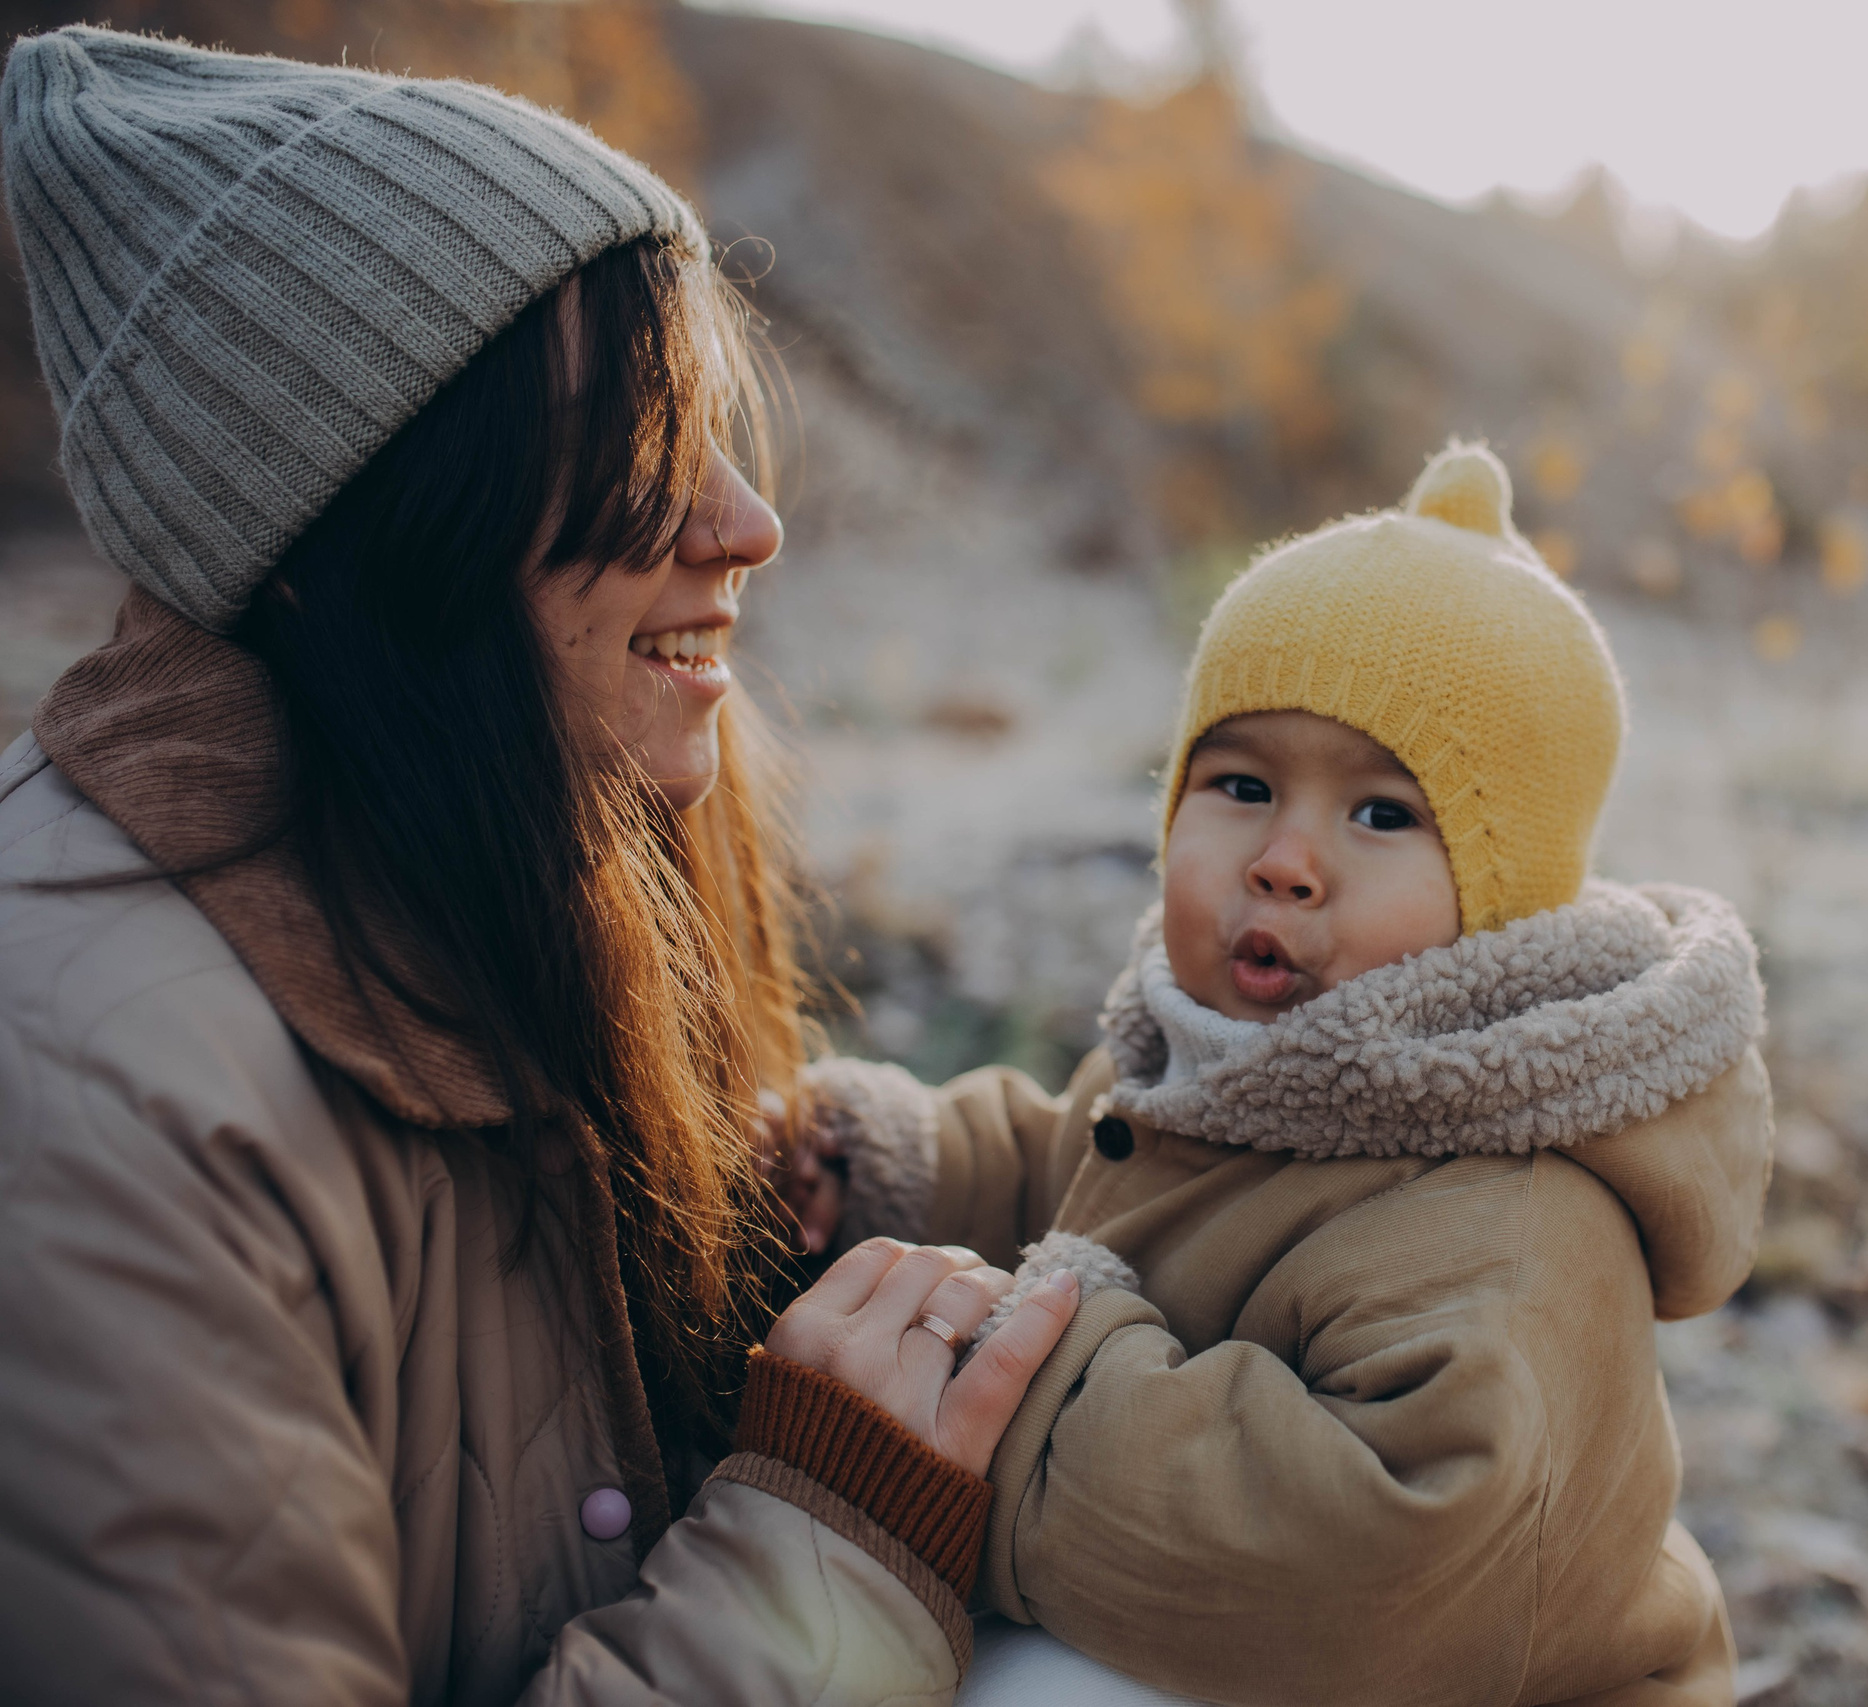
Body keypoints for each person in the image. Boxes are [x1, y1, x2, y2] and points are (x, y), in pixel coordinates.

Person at [0, 25, 1077, 1704]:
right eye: (641, 449)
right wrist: (832, 1531)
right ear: (367, 526)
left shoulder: (549, 814)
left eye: (718, 430)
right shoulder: (85, 1081)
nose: (746, 523)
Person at [800, 444, 1778, 1706]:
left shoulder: (1509, 1210)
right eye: (1242, 785)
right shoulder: (1230, 1063)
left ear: (1504, 897)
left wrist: (1015, 1378)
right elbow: (1083, 1175)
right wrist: (893, 1171)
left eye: (1381, 814)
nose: (1284, 859)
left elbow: (1367, 1565)